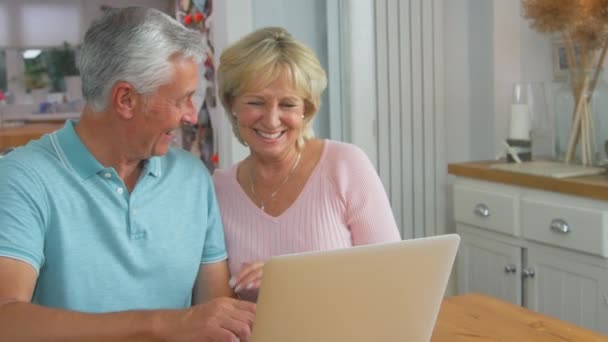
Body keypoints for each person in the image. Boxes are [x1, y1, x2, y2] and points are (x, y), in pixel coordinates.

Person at [0, 7, 255, 341]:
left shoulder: (192, 178)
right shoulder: (21, 179)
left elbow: (214, 313)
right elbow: (7, 319)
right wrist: (167, 325)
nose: (192, 116)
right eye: (182, 100)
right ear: (125, 99)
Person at [213, 27, 401, 301]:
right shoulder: (218, 189)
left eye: (288, 105)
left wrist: (292, 278)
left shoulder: (344, 164)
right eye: (256, 102)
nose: (271, 120)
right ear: (232, 105)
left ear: (306, 110)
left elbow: (393, 273)